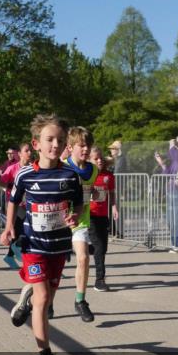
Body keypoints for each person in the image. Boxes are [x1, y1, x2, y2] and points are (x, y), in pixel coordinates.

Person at [0, 114, 82, 355]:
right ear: (37, 144)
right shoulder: (25, 174)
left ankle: (27, 298)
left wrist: (75, 216)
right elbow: (13, 200)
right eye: (49, 139)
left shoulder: (70, 175)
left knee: (46, 304)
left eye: (60, 140)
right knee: (44, 298)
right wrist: (9, 226)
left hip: (58, 247)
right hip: (33, 246)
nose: (55, 144)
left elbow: (78, 205)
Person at [65, 127, 100, 321]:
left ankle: (80, 301)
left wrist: (93, 193)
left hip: (80, 221)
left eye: (88, 145)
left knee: (84, 258)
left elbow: (91, 190)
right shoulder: (61, 166)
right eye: (81, 145)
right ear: (70, 147)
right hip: (58, 222)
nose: (86, 149)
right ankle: (48, 302)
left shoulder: (93, 169)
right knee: (56, 265)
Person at [155, 135, 178, 252]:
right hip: (171, 190)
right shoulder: (177, 159)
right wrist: (161, 163)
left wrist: (172, 144)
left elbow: (173, 153)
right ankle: (176, 244)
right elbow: (167, 173)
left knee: (177, 218)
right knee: (171, 219)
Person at [89, 145, 118, 292]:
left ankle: (86, 247)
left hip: (103, 216)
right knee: (99, 248)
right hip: (90, 216)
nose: (99, 160)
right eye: (96, 158)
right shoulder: (87, 175)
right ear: (89, 160)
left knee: (103, 248)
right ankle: (99, 280)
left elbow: (112, 193)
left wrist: (114, 207)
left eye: (101, 157)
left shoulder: (108, 176)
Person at [0, 142, 32, 269]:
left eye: (30, 151)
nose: (30, 153)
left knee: (17, 230)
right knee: (24, 226)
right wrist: (10, 186)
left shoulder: (32, 168)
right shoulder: (13, 168)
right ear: (19, 154)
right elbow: (0, 182)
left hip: (27, 202)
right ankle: (19, 251)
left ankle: (9, 256)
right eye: (27, 150)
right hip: (14, 203)